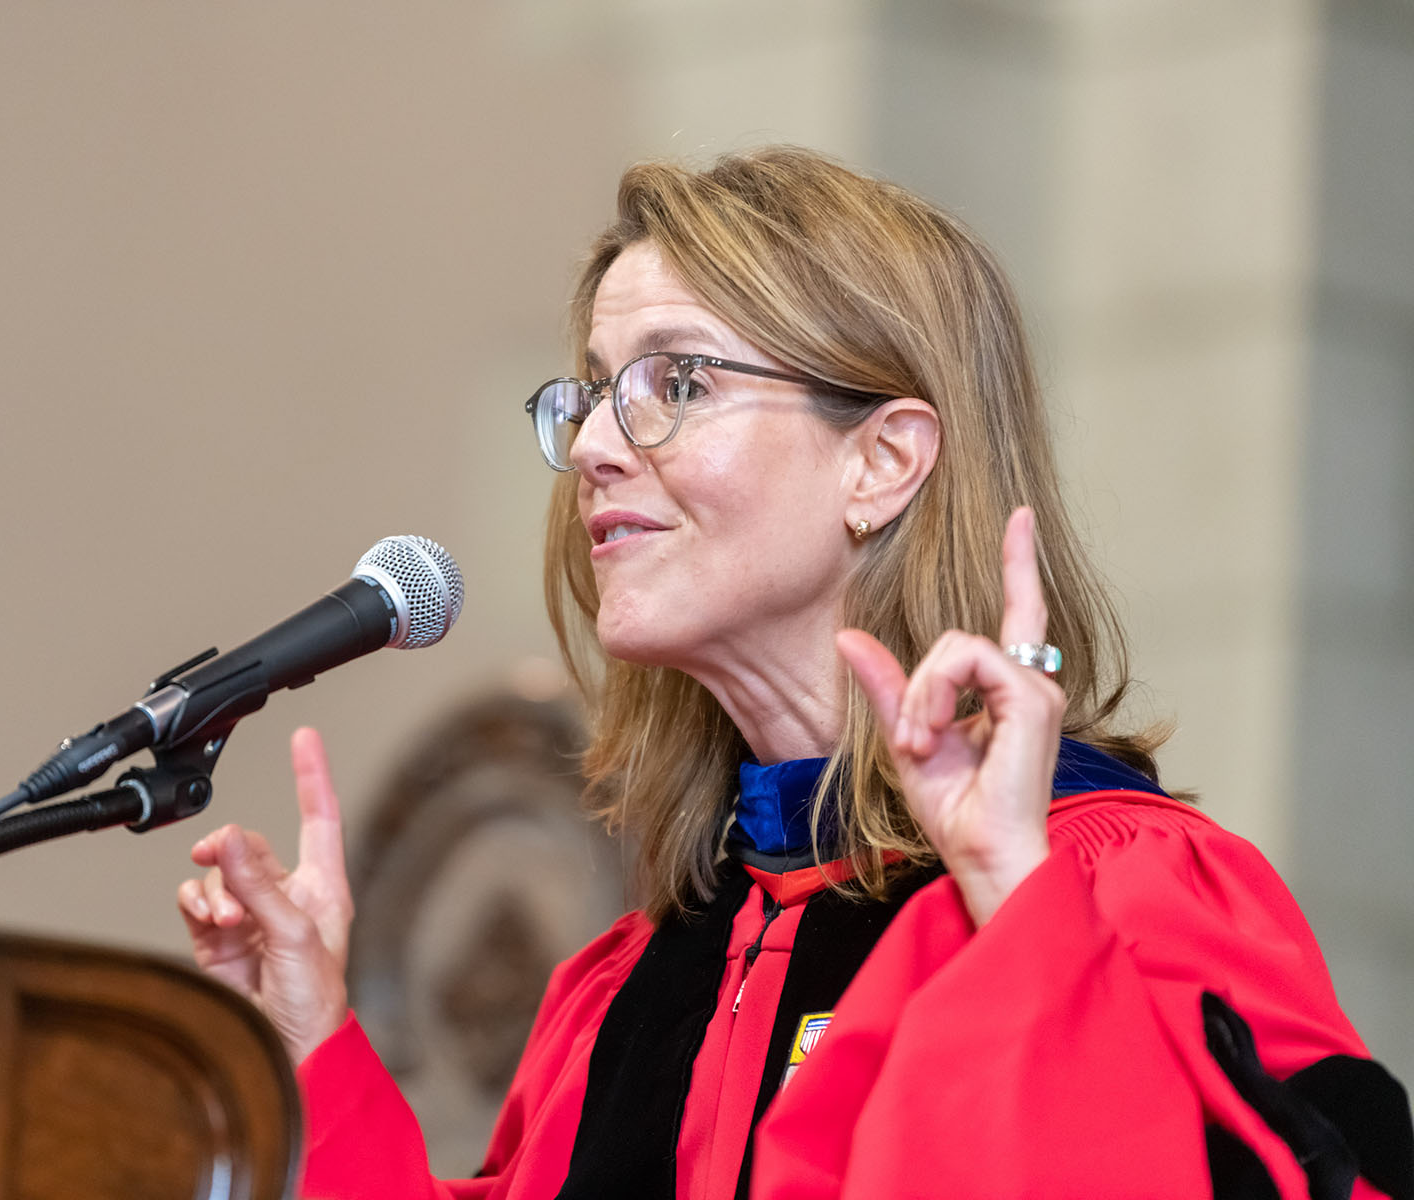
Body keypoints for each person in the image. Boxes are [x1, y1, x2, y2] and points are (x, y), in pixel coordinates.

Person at [176, 147, 1412, 1199]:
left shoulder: (1127, 892)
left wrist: (1015, 910)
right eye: (595, 395)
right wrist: (312, 1039)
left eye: (677, 381)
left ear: (881, 461)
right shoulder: (625, 991)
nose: (599, 446)